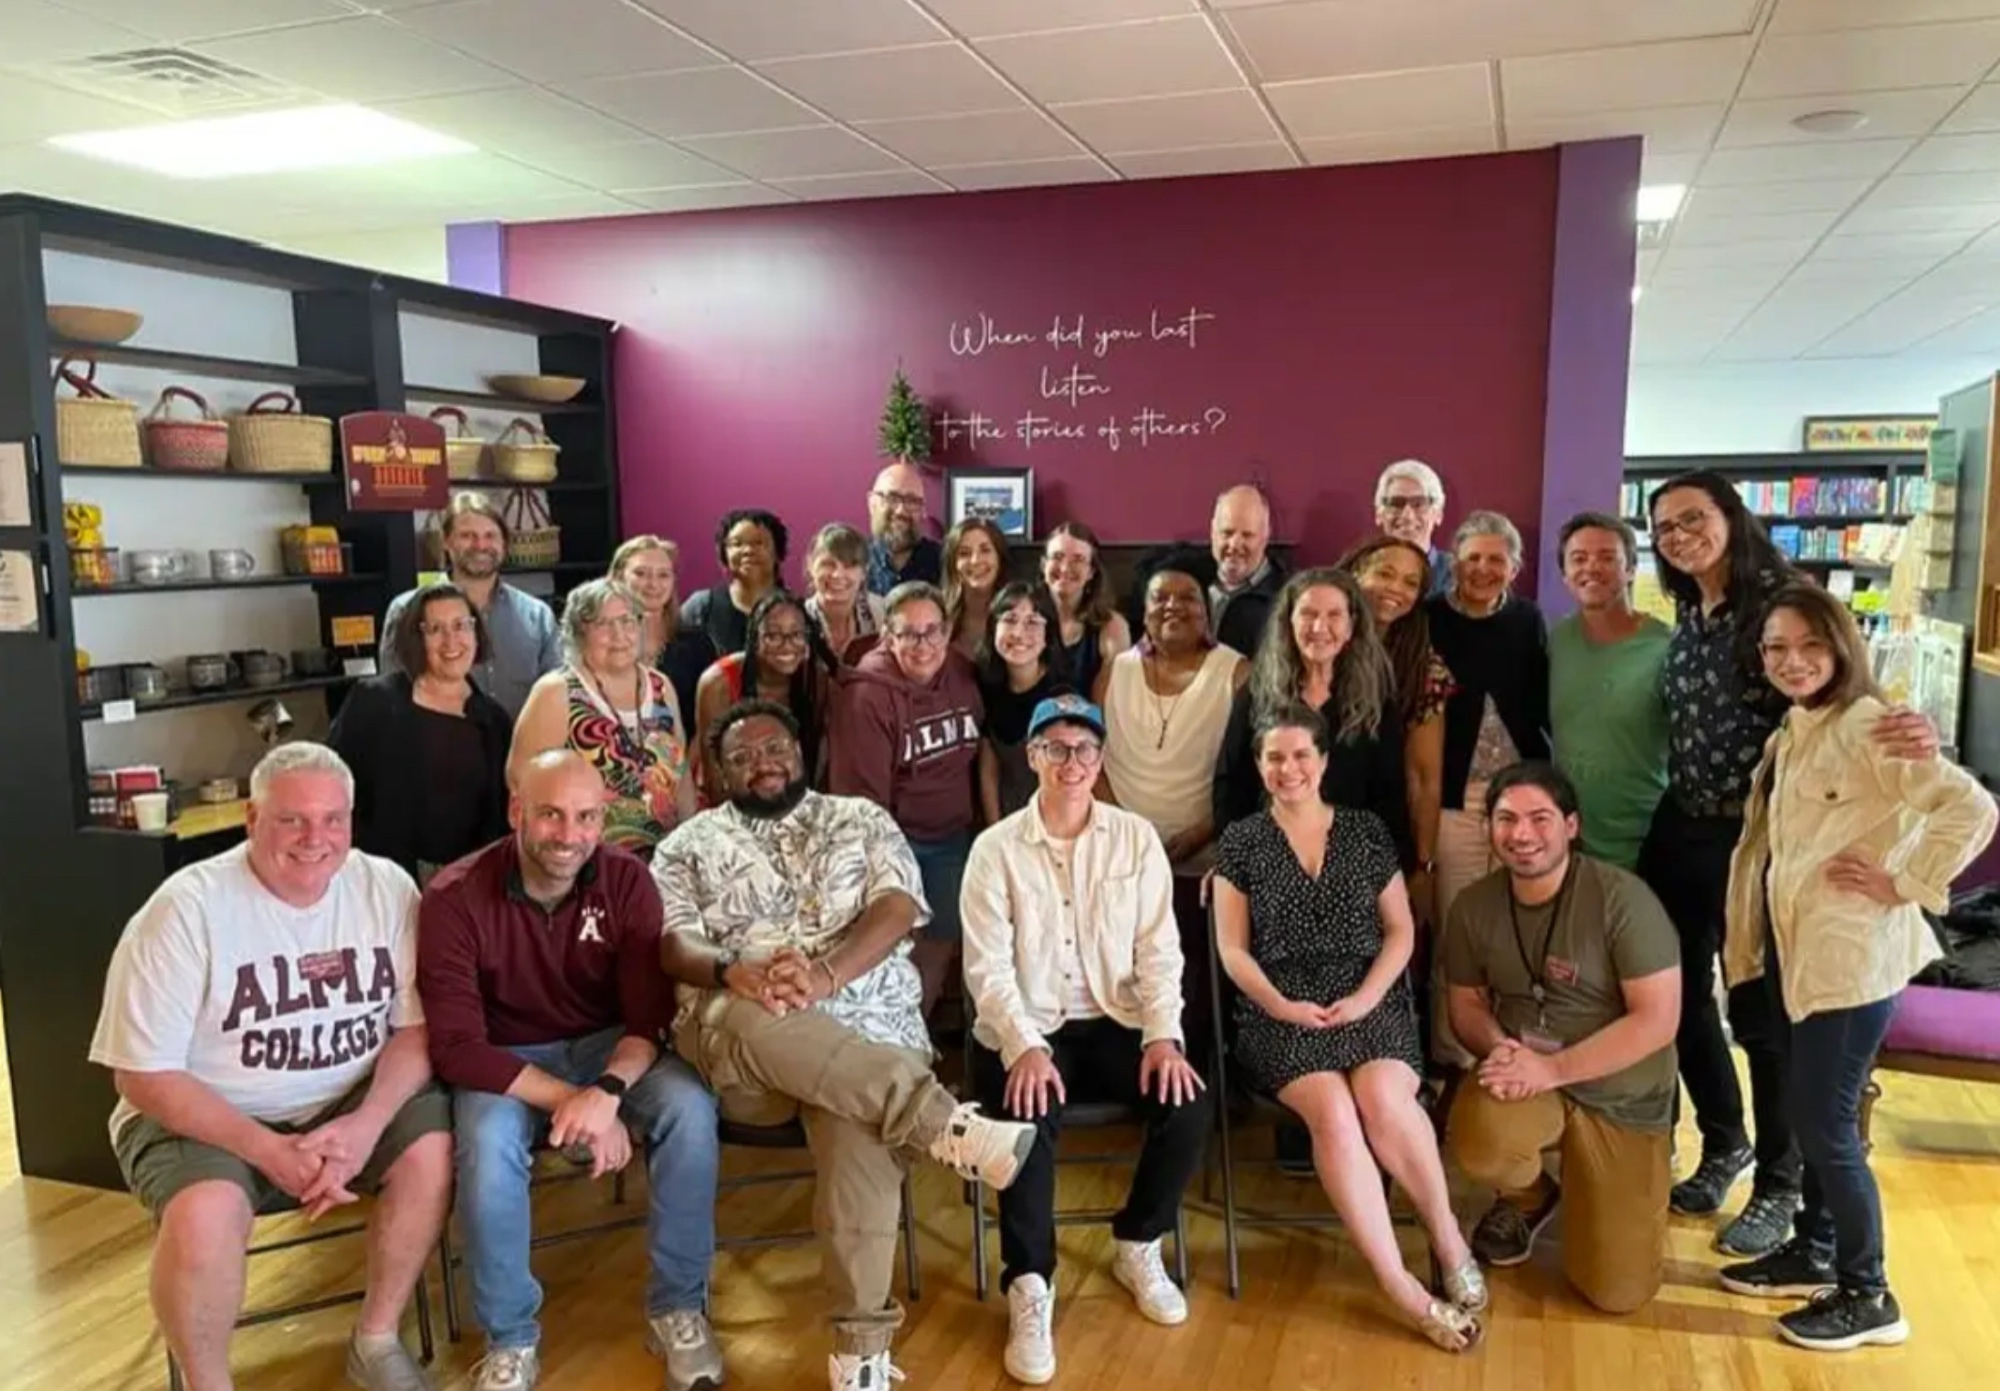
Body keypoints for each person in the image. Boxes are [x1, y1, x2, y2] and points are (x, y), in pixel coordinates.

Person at [654, 701, 1039, 1391]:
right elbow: (672, 942)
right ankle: (941, 1121)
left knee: (852, 1110)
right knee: (750, 1016)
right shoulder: (686, 845)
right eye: (742, 756)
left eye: (775, 747)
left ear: (801, 751)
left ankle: (860, 1358)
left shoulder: (861, 817)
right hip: (749, 1050)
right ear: (716, 773)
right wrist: (735, 969)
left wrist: (826, 974)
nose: (763, 763)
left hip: (870, 1028)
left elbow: (897, 906)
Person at [88, 743, 451, 1391]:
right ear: (252, 818)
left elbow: (415, 1029)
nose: (316, 838)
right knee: (204, 1215)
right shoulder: (185, 910)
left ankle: (376, 1338)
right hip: (209, 1110)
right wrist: (266, 1149)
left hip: (349, 1094)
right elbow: (142, 1074)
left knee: (432, 1153)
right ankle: (207, 1382)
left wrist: (367, 1125)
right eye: (292, 820)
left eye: (333, 819)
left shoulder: (387, 887)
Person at [1639, 470, 1938, 1258]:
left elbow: (1845, 689)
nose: (1679, 536)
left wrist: (1908, 730)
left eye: (1693, 518)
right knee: (1676, 996)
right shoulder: (1690, 609)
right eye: (1664, 527)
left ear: (1731, 516)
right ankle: (1725, 1141)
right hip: (1684, 824)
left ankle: (1779, 1182)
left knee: (1762, 1017)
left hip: (1762, 843)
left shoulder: (1781, 602)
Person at [1714, 585, 1995, 1351]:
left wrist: (1905, 882)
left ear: (1842, 646)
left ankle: (1869, 1292)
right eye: (1777, 647)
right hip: (1799, 950)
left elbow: (1971, 809)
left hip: (1851, 961)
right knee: (1810, 1113)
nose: (1793, 660)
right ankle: (1816, 1247)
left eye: (1811, 644)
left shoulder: (1871, 723)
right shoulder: (1799, 725)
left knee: (1827, 1124)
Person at [419, 751, 723, 1391]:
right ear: (516, 811)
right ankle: (510, 1339)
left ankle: (679, 1307)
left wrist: (606, 1092)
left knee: (691, 1111)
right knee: (486, 1143)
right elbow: (457, 1048)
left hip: (610, 1048)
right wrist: (577, 1102)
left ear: (603, 820)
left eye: (586, 817)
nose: (569, 835)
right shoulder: (453, 895)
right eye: (551, 814)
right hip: (505, 1058)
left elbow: (647, 1020)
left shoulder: (627, 880)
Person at [1213, 704, 1482, 1352]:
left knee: (1383, 1097)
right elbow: (1233, 951)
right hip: (1280, 1009)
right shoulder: (1242, 841)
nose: (1289, 768)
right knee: (1334, 1113)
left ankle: (1448, 1240)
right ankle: (1403, 1288)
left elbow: (1400, 931)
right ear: (1259, 766)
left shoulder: (1364, 831)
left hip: (1369, 997)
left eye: (1301, 754)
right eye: (1274, 757)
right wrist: (1280, 1004)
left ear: (1324, 760)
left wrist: (1365, 997)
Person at [961, 694, 1211, 1384]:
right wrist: (1023, 1045)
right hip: (1028, 1025)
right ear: (1032, 756)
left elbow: (1160, 949)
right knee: (1025, 1115)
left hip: (1116, 1019)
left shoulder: (1135, 838)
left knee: (1188, 1102)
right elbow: (986, 968)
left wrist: (1163, 1037)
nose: (1071, 762)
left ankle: (1139, 1239)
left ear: (1100, 760)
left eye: (1084, 749)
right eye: (1056, 748)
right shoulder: (994, 849)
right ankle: (1030, 1282)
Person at [1443, 762, 1681, 1316]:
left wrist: (1552, 1069)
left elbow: (1658, 1019)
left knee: (1616, 1293)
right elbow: (1466, 1005)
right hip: (1528, 1077)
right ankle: (1530, 1196)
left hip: (1621, 1096)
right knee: (1482, 1140)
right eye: (1506, 819)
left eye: (1539, 818)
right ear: (1488, 827)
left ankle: (1606, 1191)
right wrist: (1502, 1050)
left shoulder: (1623, 899)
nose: (1521, 834)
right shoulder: (1473, 906)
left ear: (1571, 826)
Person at [827, 580, 984, 1014]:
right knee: (892, 947)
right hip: (896, 839)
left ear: (947, 632)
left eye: (932, 631)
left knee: (942, 940)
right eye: (909, 634)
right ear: (888, 636)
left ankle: (919, 1029)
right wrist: (887, 867)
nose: (923, 645)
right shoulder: (867, 694)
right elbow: (863, 803)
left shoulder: (962, 671)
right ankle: (889, 1036)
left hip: (951, 835)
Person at [1213, 567, 1410, 864]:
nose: (1319, 627)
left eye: (1334, 615)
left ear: (1351, 627)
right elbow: (1231, 786)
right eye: (1308, 614)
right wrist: (1232, 860)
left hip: (1352, 863)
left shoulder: (1376, 702)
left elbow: (1389, 796)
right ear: (1288, 622)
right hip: (1269, 859)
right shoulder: (1257, 694)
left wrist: (1385, 869)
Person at [330, 580, 511, 885]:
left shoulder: (495, 720)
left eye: (460, 626)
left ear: (475, 633)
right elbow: (332, 784)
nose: (451, 640)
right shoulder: (374, 702)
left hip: (470, 883)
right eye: (435, 629)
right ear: (417, 638)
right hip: (385, 879)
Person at [1423, 511, 1550, 940]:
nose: (1483, 569)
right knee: (1458, 926)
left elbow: (1539, 703)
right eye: (1473, 558)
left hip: (1520, 794)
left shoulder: (1527, 619)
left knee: (1520, 924)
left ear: (1514, 569)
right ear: (1454, 562)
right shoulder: (1428, 619)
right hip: (1455, 800)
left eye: (1496, 560)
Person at [512, 579, 697, 857]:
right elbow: (521, 781)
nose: (619, 634)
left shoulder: (662, 686)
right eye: (603, 624)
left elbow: (681, 778)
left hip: (665, 858)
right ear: (578, 631)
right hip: (586, 861)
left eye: (627, 621)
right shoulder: (556, 691)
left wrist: (691, 844)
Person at [1096, 564, 1249, 875]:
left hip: (1207, 853)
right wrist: (1127, 832)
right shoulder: (1113, 673)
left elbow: (1251, 769)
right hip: (1119, 849)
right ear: (1144, 612)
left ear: (1206, 612)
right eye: (1160, 597)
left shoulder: (1238, 673)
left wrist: (1205, 830)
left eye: (1188, 597)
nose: (1173, 605)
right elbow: (1090, 761)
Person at [1341, 536, 1454, 925]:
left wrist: (1424, 865)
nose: (1395, 589)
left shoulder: (1423, 669)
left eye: (1410, 583)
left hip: (1382, 839)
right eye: (1385, 573)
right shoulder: (1314, 644)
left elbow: (1424, 777)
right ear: (1357, 573)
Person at [1548, 513, 1670, 871]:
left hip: (1646, 842)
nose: (1592, 568)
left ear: (1631, 569)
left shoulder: (1665, 646)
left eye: (1607, 558)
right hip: (1569, 839)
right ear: (1565, 575)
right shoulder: (1557, 641)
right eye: (1579, 559)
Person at [383, 493, 559, 719]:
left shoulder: (537, 616)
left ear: (504, 543)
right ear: (446, 541)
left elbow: (557, 696)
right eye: (467, 536)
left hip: (523, 741)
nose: (481, 545)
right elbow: (391, 699)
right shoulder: (406, 610)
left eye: (490, 535)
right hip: (438, 740)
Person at [694, 589, 835, 801]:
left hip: (792, 799)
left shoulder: (816, 679)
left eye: (797, 635)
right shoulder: (718, 682)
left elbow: (818, 763)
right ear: (754, 639)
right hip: (732, 802)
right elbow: (714, 777)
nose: (787, 645)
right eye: (773, 636)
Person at [976, 581, 1070, 825]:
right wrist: (995, 830)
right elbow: (989, 768)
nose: (1018, 633)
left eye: (1032, 622)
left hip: (1054, 821)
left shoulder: (1063, 698)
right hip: (1005, 819)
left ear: (1048, 635)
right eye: (1009, 619)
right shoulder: (986, 685)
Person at [611, 535, 715, 724]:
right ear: (619, 577)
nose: (653, 584)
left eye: (663, 575)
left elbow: (709, 721)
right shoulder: (599, 642)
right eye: (641, 574)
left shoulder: (697, 644)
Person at [1040, 520, 1131, 699]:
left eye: (1078, 559)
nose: (1065, 568)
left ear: (1091, 572)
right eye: (1057, 557)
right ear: (1043, 565)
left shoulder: (1112, 626)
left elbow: (1107, 704)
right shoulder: (1026, 618)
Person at [681, 509, 787, 657]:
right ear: (724, 553)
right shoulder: (702, 606)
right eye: (737, 544)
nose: (748, 550)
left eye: (759, 543)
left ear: (777, 551)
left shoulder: (799, 610)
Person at [1209, 484, 1286, 656]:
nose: (1234, 545)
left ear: (1265, 536)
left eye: (1247, 535)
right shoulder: (1187, 584)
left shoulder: (1287, 597)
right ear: (1212, 532)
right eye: (1227, 533)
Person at [803, 522, 886, 664]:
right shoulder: (797, 618)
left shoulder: (883, 613)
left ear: (864, 572)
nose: (838, 574)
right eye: (828, 564)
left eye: (849, 565)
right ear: (810, 566)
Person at [1374, 459, 1453, 596]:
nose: (1407, 516)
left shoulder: (1461, 576)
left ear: (1438, 515)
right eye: (1396, 503)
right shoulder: (1358, 573)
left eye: (1419, 504)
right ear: (1379, 515)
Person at [866, 462, 942, 594]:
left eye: (912, 501)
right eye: (892, 498)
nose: (901, 511)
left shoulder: (945, 563)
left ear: (923, 510)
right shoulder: (852, 562)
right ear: (872, 503)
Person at [943, 517, 1009, 659]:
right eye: (964, 553)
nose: (975, 560)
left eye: (985, 550)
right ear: (952, 564)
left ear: (1000, 558)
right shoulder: (937, 614)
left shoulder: (1018, 614)